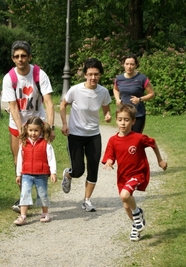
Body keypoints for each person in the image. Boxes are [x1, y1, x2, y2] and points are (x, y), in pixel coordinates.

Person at [1, 40, 55, 213]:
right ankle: (25, 198)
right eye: (16, 56)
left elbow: (48, 102)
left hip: (38, 123)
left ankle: (41, 195)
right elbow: (13, 106)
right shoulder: (9, 78)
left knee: (41, 158)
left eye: (23, 56)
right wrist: (21, 130)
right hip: (18, 123)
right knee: (19, 160)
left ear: (29, 57)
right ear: (12, 58)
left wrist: (50, 127)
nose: (20, 59)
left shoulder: (39, 74)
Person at [102, 103, 167, 241]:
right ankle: (136, 225)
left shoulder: (138, 138)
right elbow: (110, 156)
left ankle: (138, 213)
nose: (123, 123)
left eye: (126, 120)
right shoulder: (113, 140)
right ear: (116, 120)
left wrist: (160, 160)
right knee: (126, 205)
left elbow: (153, 143)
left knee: (125, 195)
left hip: (138, 173)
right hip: (122, 176)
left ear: (133, 121)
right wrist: (109, 162)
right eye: (120, 119)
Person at [60, 57, 112, 212]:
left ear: (100, 75)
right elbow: (63, 105)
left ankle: (87, 200)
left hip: (93, 135)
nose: (93, 77)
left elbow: (106, 109)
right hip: (75, 134)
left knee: (93, 168)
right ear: (84, 75)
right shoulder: (75, 90)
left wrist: (108, 115)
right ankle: (68, 175)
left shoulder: (103, 92)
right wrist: (64, 123)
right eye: (90, 74)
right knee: (78, 170)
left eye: (96, 74)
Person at [13, 116, 57, 225]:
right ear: (27, 130)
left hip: (41, 174)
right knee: (24, 194)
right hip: (27, 174)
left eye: (36, 130)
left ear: (41, 130)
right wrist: (19, 174)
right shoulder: (24, 144)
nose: (33, 133)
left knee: (42, 194)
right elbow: (20, 160)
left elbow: (51, 158)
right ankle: (23, 216)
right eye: (31, 130)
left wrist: (53, 172)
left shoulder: (46, 143)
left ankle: (45, 213)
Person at [113, 54, 155, 133]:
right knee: (124, 138)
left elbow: (152, 94)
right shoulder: (119, 79)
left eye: (132, 64)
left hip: (137, 115)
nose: (129, 67)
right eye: (127, 64)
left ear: (136, 65)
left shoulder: (142, 78)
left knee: (135, 139)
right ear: (123, 65)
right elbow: (115, 89)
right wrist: (117, 99)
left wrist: (140, 99)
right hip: (123, 115)